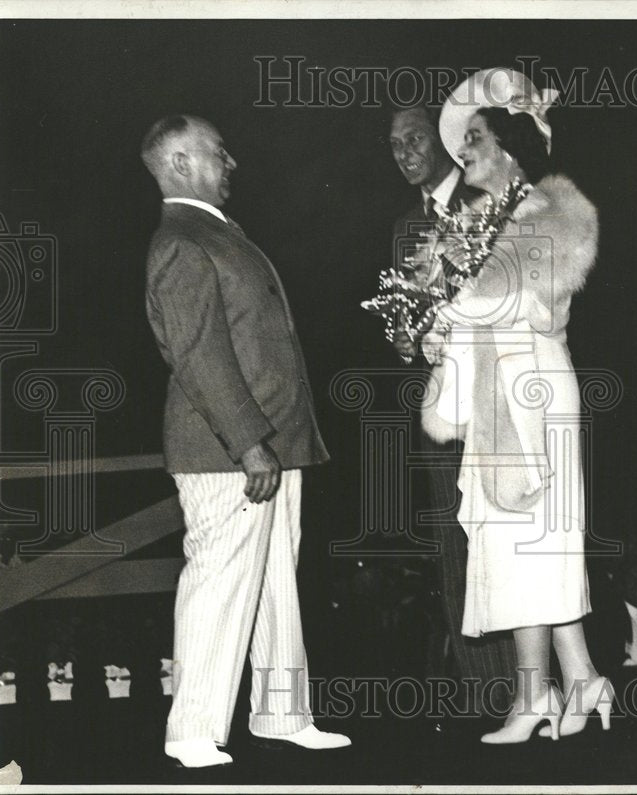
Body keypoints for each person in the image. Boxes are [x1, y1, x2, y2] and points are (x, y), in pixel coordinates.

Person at [141, 115, 350, 767]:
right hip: (231, 450)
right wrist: (249, 443)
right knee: (221, 578)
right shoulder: (181, 239)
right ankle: (192, 729)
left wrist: (273, 441)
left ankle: (283, 712)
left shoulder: (215, 231)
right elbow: (199, 355)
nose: (231, 162)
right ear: (178, 163)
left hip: (272, 443)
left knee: (273, 582)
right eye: (217, 153)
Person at [420, 69, 609, 744]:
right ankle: (565, 681)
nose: (462, 151)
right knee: (514, 543)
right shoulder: (470, 225)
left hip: (532, 390)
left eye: (475, 137)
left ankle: (553, 689)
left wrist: (445, 302)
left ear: (510, 146)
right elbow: (464, 311)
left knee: (539, 542)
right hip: (495, 388)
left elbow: (502, 300)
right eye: (460, 140)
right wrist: (435, 329)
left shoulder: (554, 211)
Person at [387, 105, 517, 718]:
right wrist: (410, 337)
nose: (404, 151)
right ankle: (482, 692)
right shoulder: (403, 225)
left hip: (501, 401)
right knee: (452, 542)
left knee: (513, 540)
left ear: (444, 142)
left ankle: (531, 685)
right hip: (441, 409)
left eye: (414, 138)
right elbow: (403, 327)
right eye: (394, 144)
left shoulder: (490, 199)